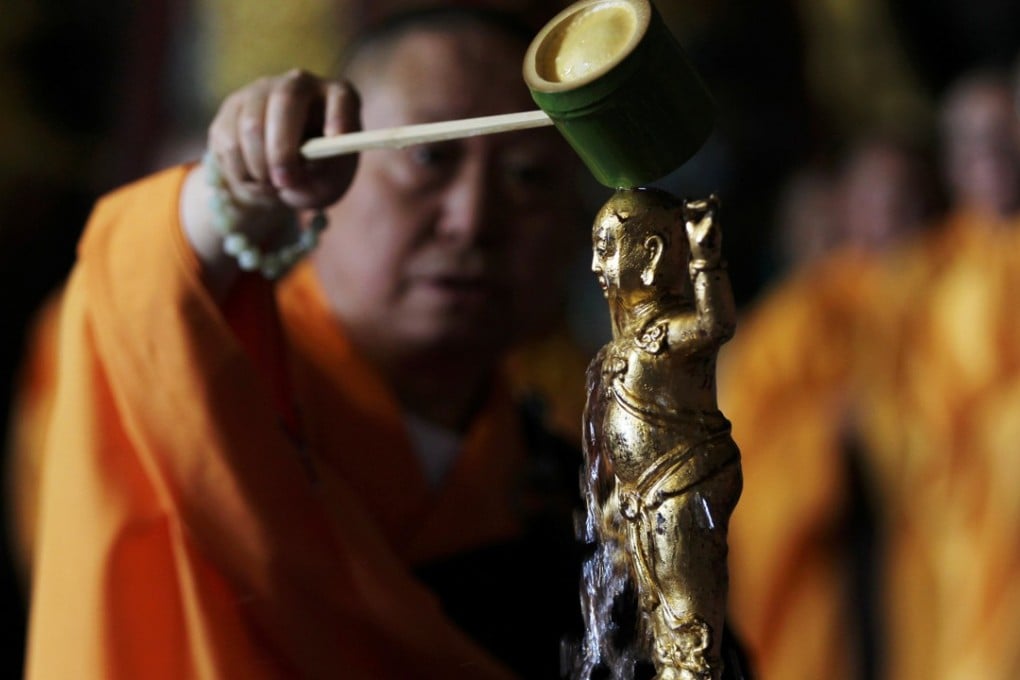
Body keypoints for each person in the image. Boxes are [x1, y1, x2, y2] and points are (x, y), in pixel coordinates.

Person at [10, 7, 592, 679]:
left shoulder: (565, 475)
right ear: (323, 172)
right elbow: (132, 297)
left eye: (528, 175)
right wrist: (234, 190)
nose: (473, 220)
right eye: (429, 157)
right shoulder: (213, 374)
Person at [579, 189, 742, 680]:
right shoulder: (627, 337)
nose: (593, 265)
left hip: (684, 490)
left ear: (649, 255)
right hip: (643, 500)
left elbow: (715, 325)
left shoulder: (667, 331)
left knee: (688, 626)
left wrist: (706, 261)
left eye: (606, 248)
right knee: (654, 625)